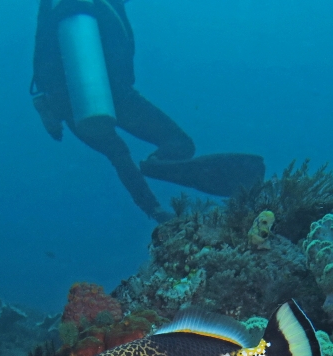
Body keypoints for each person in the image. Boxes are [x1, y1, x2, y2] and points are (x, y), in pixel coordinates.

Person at [31, 0, 264, 222]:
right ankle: (155, 192)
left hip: (95, 96)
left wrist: (46, 103)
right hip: (87, 97)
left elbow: (42, 46)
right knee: (148, 147)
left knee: (131, 151)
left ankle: (155, 200)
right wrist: (46, 105)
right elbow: (44, 48)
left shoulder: (99, 6)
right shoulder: (87, 6)